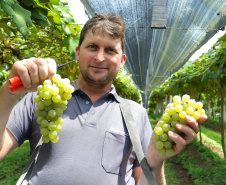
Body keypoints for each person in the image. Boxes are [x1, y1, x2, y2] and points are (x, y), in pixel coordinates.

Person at [0, 13, 207, 185]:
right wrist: (7, 95)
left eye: (110, 50)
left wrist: (156, 161)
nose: (100, 58)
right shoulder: (41, 98)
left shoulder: (136, 114)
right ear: (78, 52)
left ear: (122, 61)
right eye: (92, 47)